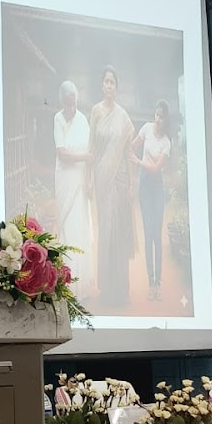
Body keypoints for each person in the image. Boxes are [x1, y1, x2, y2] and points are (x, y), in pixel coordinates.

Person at [88, 65, 134, 308]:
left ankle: (121, 289)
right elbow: (92, 147)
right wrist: (88, 178)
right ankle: (106, 288)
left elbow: (127, 152)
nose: (109, 85)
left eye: (112, 82)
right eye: (106, 81)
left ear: (117, 87)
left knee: (119, 232)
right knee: (105, 231)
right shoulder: (96, 111)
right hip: (101, 179)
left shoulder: (123, 116)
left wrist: (131, 183)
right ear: (101, 85)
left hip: (120, 180)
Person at [53, 81, 91, 303]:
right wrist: (84, 157)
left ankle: (80, 286)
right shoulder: (57, 119)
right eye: (67, 103)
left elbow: (90, 152)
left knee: (79, 228)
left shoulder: (83, 120)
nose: (70, 108)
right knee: (67, 227)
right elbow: (63, 154)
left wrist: (87, 178)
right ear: (62, 101)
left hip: (79, 182)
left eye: (73, 103)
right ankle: (65, 284)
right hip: (65, 180)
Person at [131, 100, 172, 301]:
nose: (158, 119)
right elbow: (131, 147)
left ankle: (158, 283)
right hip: (144, 187)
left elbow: (156, 168)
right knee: (148, 234)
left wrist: (139, 162)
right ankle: (150, 282)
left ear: (166, 120)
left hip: (157, 188)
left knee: (157, 235)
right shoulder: (146, 128)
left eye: (161, 116)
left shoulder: (166, 142)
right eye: (156, 114)